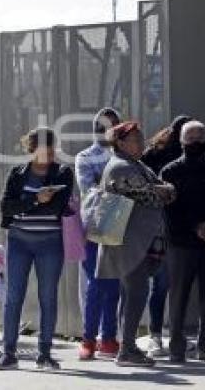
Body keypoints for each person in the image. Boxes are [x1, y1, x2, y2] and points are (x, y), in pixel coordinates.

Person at [97, 121, 175, 367]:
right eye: (137, 140)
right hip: (129, 243)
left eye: (142, 139)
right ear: (120, 143)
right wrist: (164, 190)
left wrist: (165, 190)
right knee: (136, 293)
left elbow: (164, 191)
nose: (142, 144)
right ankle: (127, 350)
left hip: (138, 242)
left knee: (131, 294)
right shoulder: (120, 167)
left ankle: (126, 347)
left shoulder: (136, 164)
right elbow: (153, 194)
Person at [0, 128, 72, 371]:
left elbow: (56, 208)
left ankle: (45, 353)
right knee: (13, 296)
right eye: (42, 151)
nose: (48, 157)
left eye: (51, 151)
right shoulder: (17, 174)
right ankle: (9, 353)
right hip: (19, 241)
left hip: (50, 242)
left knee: (48, 297)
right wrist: (35, 200)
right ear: (31, 150)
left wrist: (25, 207)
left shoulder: (63, 173)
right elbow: (6, 207)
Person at [159, 120, 205, 362]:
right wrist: (196, 227)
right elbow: (168, 210)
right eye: (191, 138)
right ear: (181, 142)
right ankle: (176, 349)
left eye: (200, 137)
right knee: (179, 297)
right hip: (180, 243)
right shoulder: (170, 172)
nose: (196, 142)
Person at [140, 115, 191, 358]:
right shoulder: (162, 158)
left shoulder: (153, 154)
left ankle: (158, 336)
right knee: (168, 284)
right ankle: (161, 335)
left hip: (160, 226)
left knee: (162, 285)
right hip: (169, 227)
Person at [74, 107, 122, 360]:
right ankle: (88, 339)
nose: (110, 130)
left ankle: (110, 338)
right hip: (94, 226)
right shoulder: (85, 156)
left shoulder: (127, 156)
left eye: (115, 125)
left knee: (114, 285)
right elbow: (88, 188)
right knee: (95, 283)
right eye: (105, 126)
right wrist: (119, 186)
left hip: (122, 225)